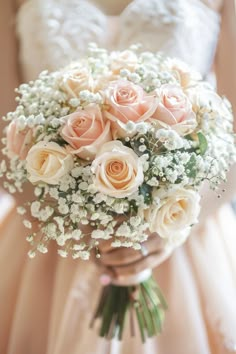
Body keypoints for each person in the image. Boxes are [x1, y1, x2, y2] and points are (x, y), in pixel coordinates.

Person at [0, 0, 236, 353]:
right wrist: (72, 222)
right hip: (48, 232)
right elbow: (6, 134)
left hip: (184, 227)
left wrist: (170, 229)